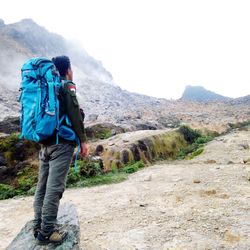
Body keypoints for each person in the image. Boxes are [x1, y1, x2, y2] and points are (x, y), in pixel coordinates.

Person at [33, 55, 88, 245]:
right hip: (61, 145)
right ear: (68, 69)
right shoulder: (66, 85)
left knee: (42, 187)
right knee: (54, 189)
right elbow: (74, 115)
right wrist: (83, 141)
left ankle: (37, 226)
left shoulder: (47, 88)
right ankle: (47, 232)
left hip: (45, 145)